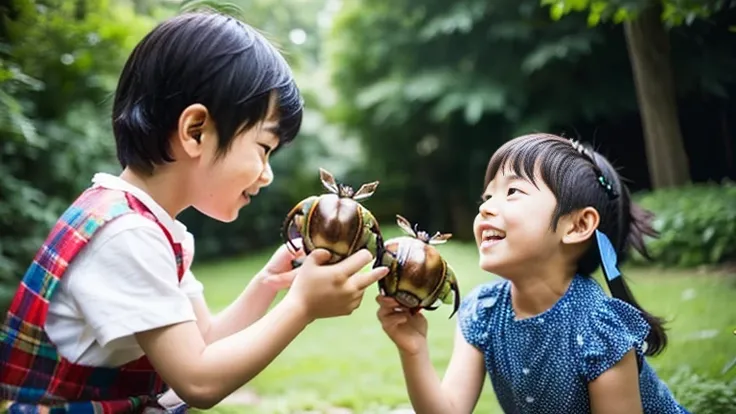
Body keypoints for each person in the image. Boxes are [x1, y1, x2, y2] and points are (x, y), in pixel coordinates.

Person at [0, 11, 388, 413]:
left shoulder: (152, 228)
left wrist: (267, 285)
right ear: (196, 131)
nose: (268, 175)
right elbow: (199, 381)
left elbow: (206, 340)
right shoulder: (126, 234)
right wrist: (301, 307)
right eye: (264, 148)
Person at [376, 133, 689, 413]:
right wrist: (413, 349)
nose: (485, 208)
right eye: (487, 198)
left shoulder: (599, 329)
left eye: (512, 191)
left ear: (578, 225)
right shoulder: (482, 311)